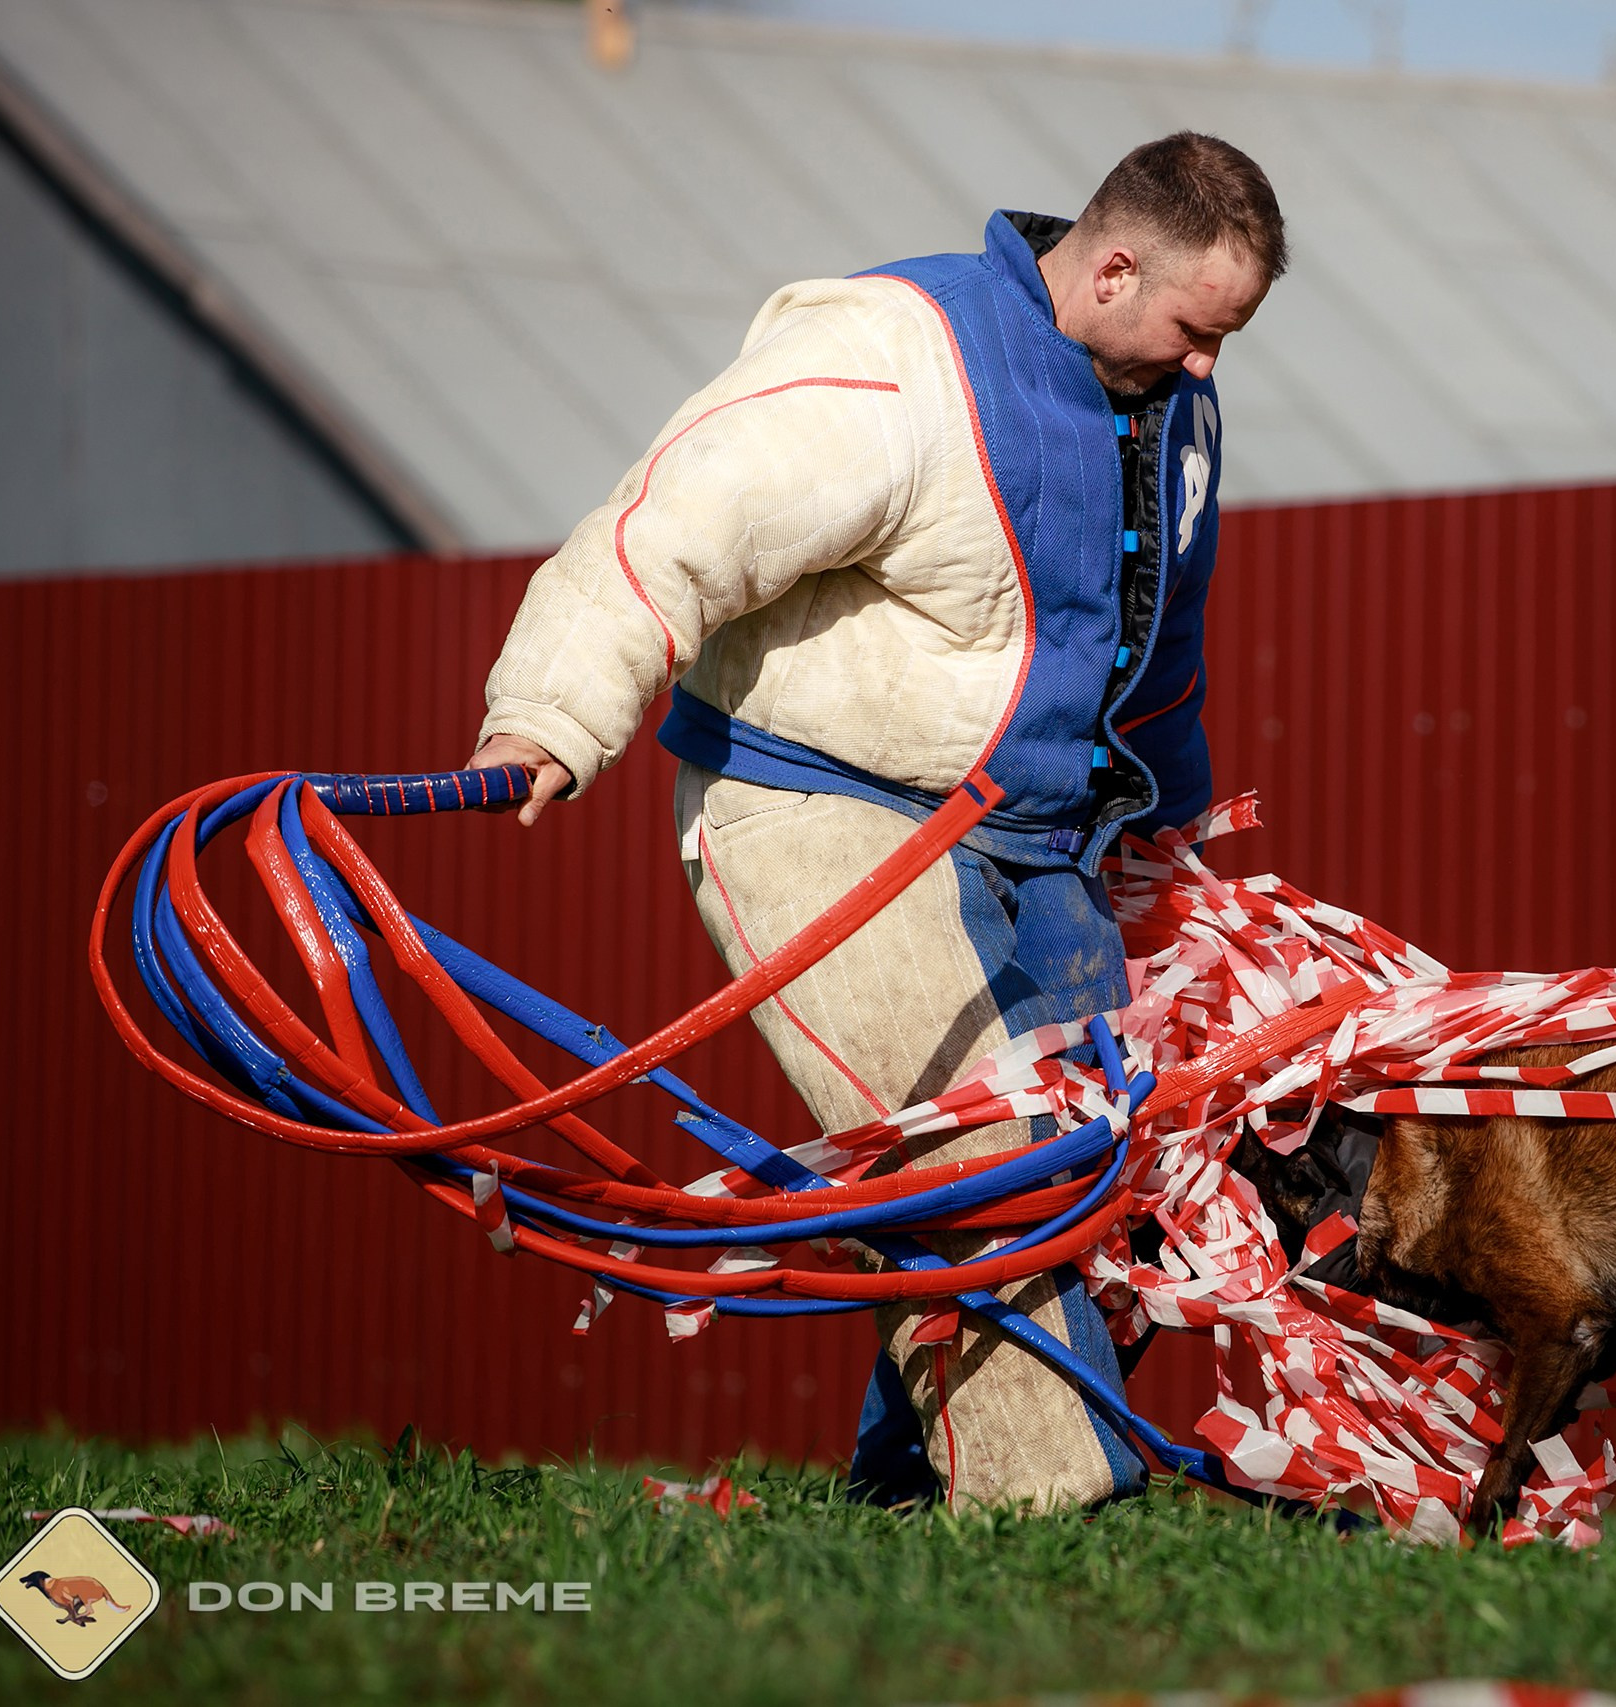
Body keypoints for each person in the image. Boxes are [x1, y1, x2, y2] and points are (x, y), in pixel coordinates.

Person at [463, 133, 1285, 1513]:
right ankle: (1049, 1521)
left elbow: (1163, 641)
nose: (1210, 365)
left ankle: (900, 1506)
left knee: (1110, 1168)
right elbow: (677, 517)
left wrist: (1166, 830)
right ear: (1114, 268)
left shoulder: (1176, 408)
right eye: (1199, 329)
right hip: (821, 814)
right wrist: (550, 710)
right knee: (976, 1167)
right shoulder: (895, 352)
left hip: (1045, 845)